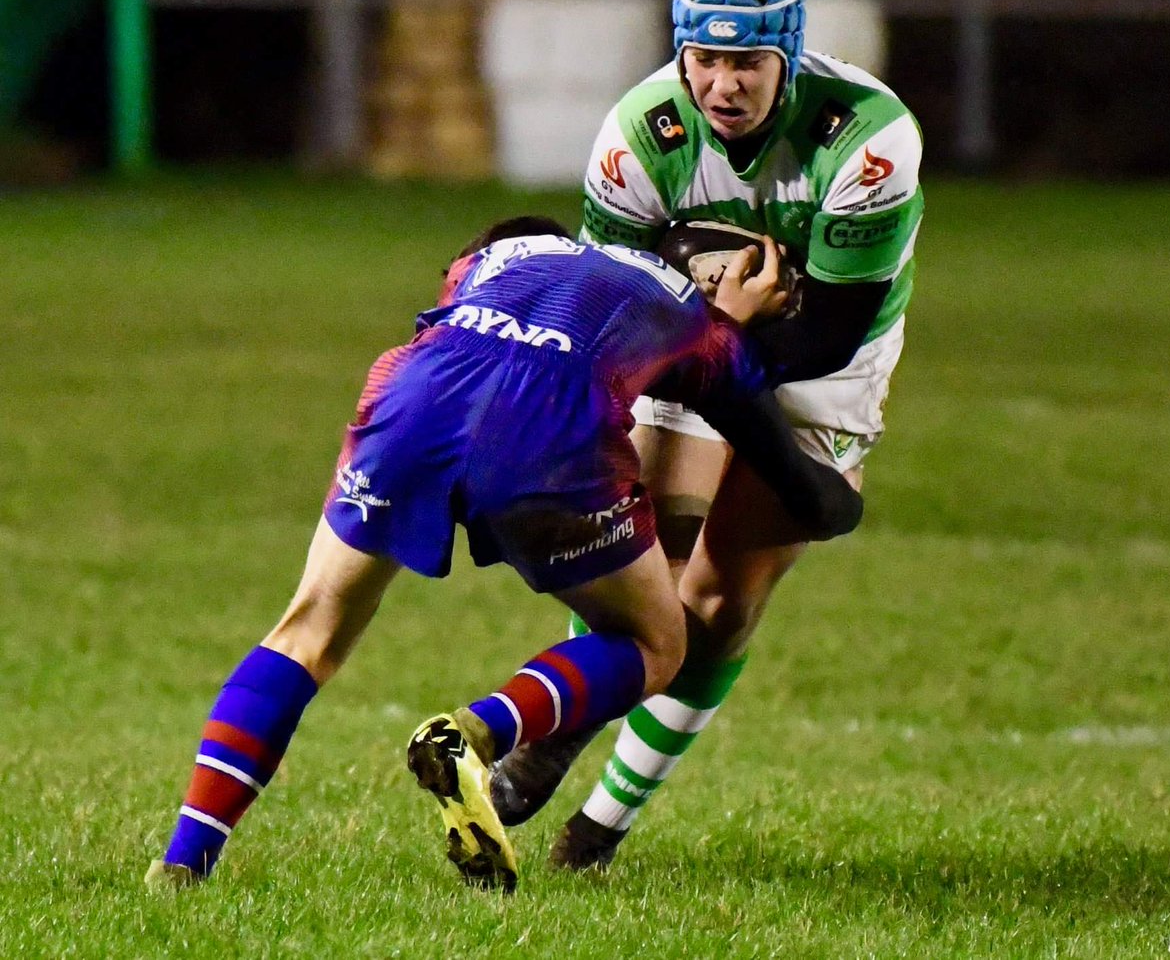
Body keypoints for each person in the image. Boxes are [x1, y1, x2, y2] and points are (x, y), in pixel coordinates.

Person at [143, 215, 864, 893]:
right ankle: (478, 732)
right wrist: (847, 485)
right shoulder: (703, 329)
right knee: (656, 642)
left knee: (307, 630)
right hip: (551, 426)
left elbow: (478, 303)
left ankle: (182, 863)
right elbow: (805, 492)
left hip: (416, 390)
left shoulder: (489, 261)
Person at [489, 0, 925, 871]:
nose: (723, 84)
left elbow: (829, 333)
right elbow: (609, 306)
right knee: (636, 557)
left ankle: (601, 827)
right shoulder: (638, 138)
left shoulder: (870, 141)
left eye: (748, 63)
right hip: (685, 338)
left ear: (790, 56)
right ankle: (568, 720)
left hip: (816, 368)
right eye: (706, 60)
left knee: (722, 601)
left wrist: (723, 344)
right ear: (681, 53)